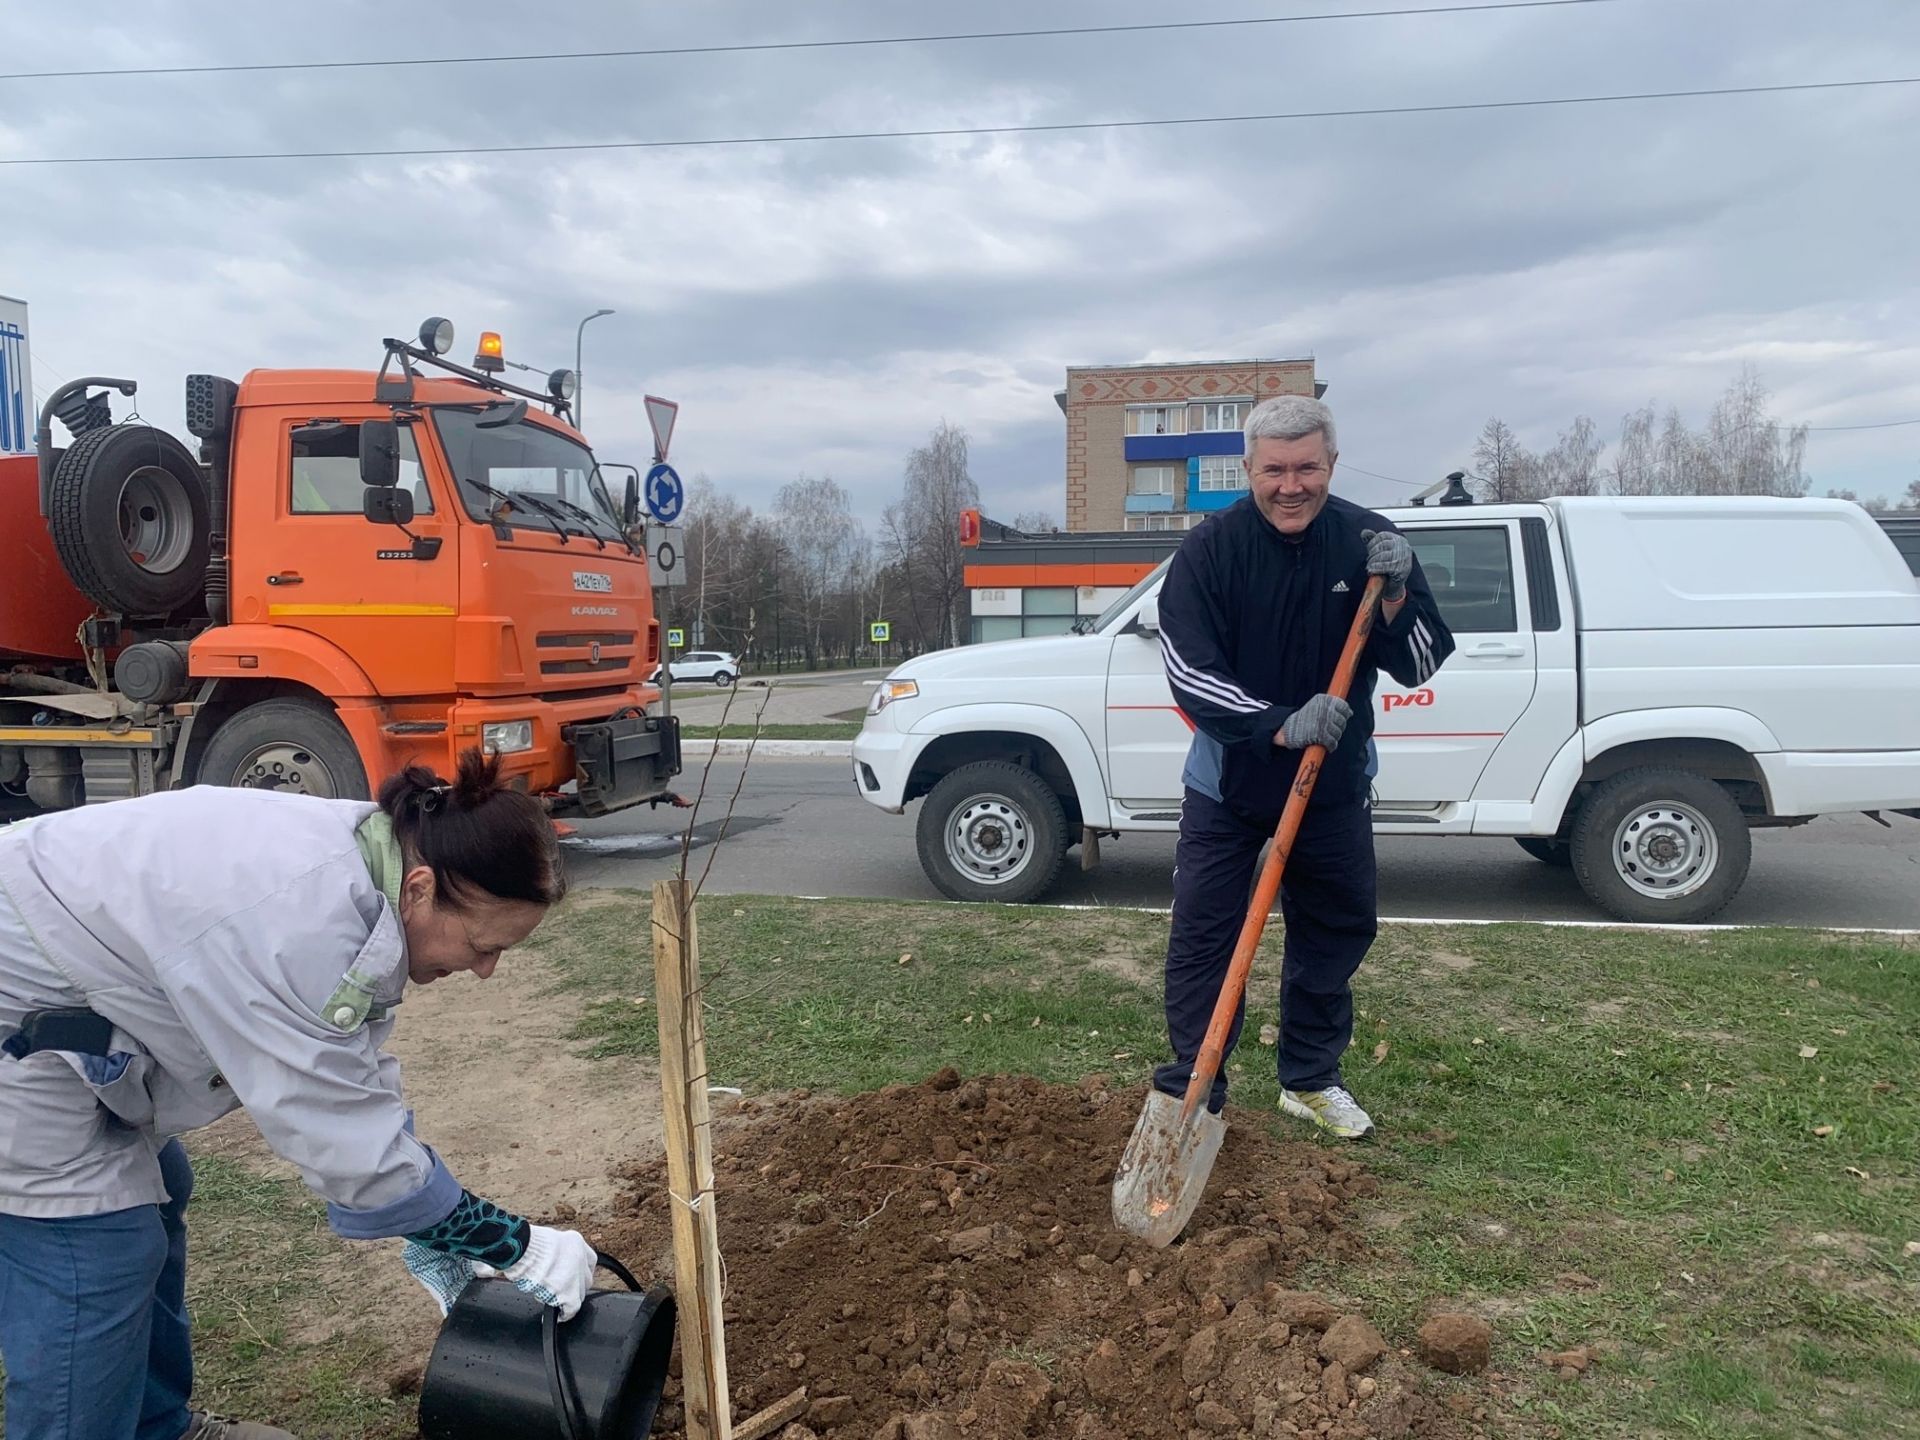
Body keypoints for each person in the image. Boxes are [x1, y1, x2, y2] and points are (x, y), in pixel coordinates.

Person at [0, 751, 601, 1440]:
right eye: (482, 944)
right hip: (15, 990)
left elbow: (349, 1067)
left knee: (158, 1184)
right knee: (95, 1248)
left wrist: (432, 1216)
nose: (487, 970)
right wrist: (505, 1241)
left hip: (62, 981)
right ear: (423, 888)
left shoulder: (367, 866)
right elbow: (335, 1129)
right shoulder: (300, 919)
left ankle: (155, 1426)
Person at [1153, 395, 1455, 1138]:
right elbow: (1189, 672)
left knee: (1334, 928)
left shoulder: (1369, 540)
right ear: (1249, 470)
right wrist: (1278, 726)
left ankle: (1311, 1078)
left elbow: (1420, 664)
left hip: (1334, 781)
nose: (1292, 486)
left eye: (1308, 468)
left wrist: (1399, 597)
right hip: (1229, 780)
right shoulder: (1211, 550)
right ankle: (1198, 1081)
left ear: (1331, 464)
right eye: (1275, 470)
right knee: (1205, 935)